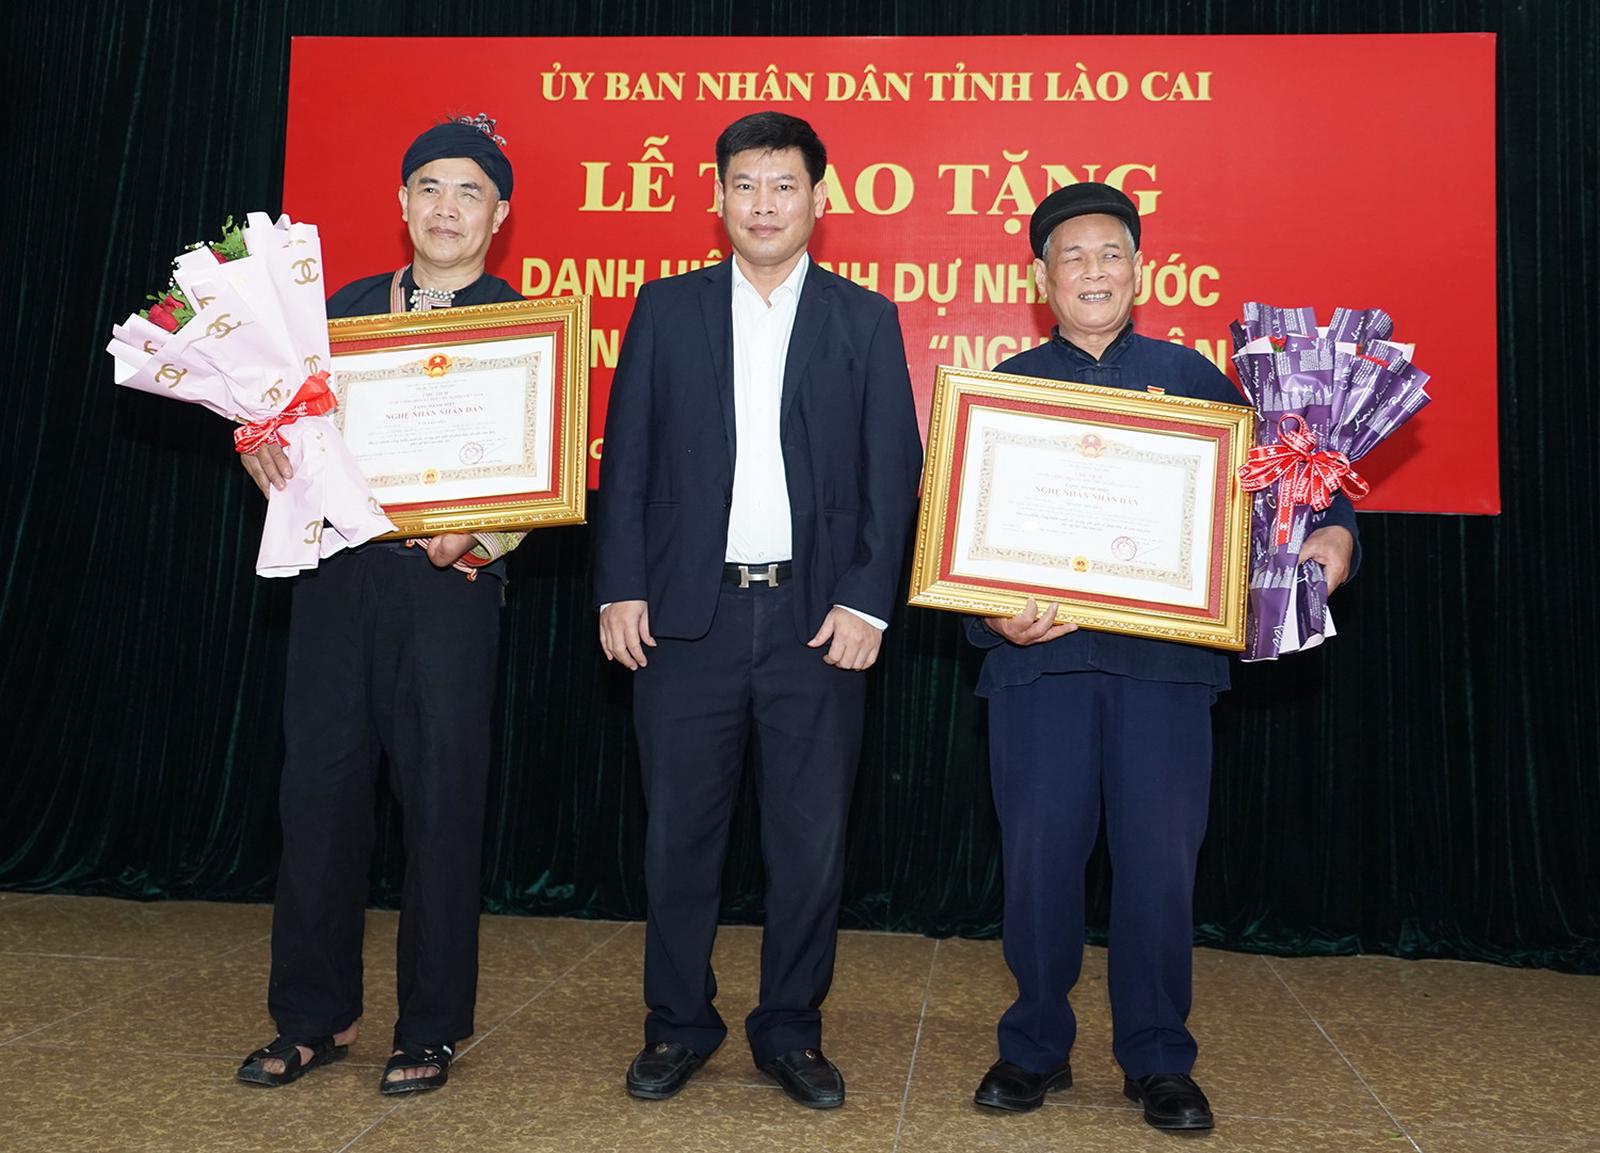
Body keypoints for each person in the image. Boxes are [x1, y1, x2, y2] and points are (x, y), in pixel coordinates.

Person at [967, 183, 1359, 1132]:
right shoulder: (1002, 391)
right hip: (1039, 671)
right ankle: (1034, 1046)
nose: (1093, 271)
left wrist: (1336, 530)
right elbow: (957, 544)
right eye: (1072, 256)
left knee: (1157, 870)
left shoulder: (1202, 384)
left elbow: (1294, 479)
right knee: (1038, 867)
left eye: (1111, 253)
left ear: (1139, 270)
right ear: (1041, 279)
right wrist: (990, 618)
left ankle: (1157, 1057)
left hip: (1167, 675)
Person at [593, 111, 923, 1110]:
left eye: (784, 186)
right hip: (684, 619)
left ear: (818, 199)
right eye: (745, 184)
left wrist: (867, 599)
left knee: (808, 845)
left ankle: (790, 1029)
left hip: (814, 623)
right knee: (677, 840)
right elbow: (628, 457)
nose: (764, 204)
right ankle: (677, 1023)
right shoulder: (666, 308)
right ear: (718, 198)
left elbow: (892, 473)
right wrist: (620, 583)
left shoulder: (863, 318)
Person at [234, 114, 525, 1097]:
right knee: (317, 797)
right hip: (336, 581)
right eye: (430, 187)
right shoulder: (340, 315)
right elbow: (280, 430)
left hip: (450, 589)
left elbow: (543, 469)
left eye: (469, 191)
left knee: (442, 802)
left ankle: (430, 1026)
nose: (447, 207)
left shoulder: (524, 324)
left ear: (498, 215)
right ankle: (311, 1017)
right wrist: (259, 443)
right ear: (402, 202)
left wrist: (483, 533)